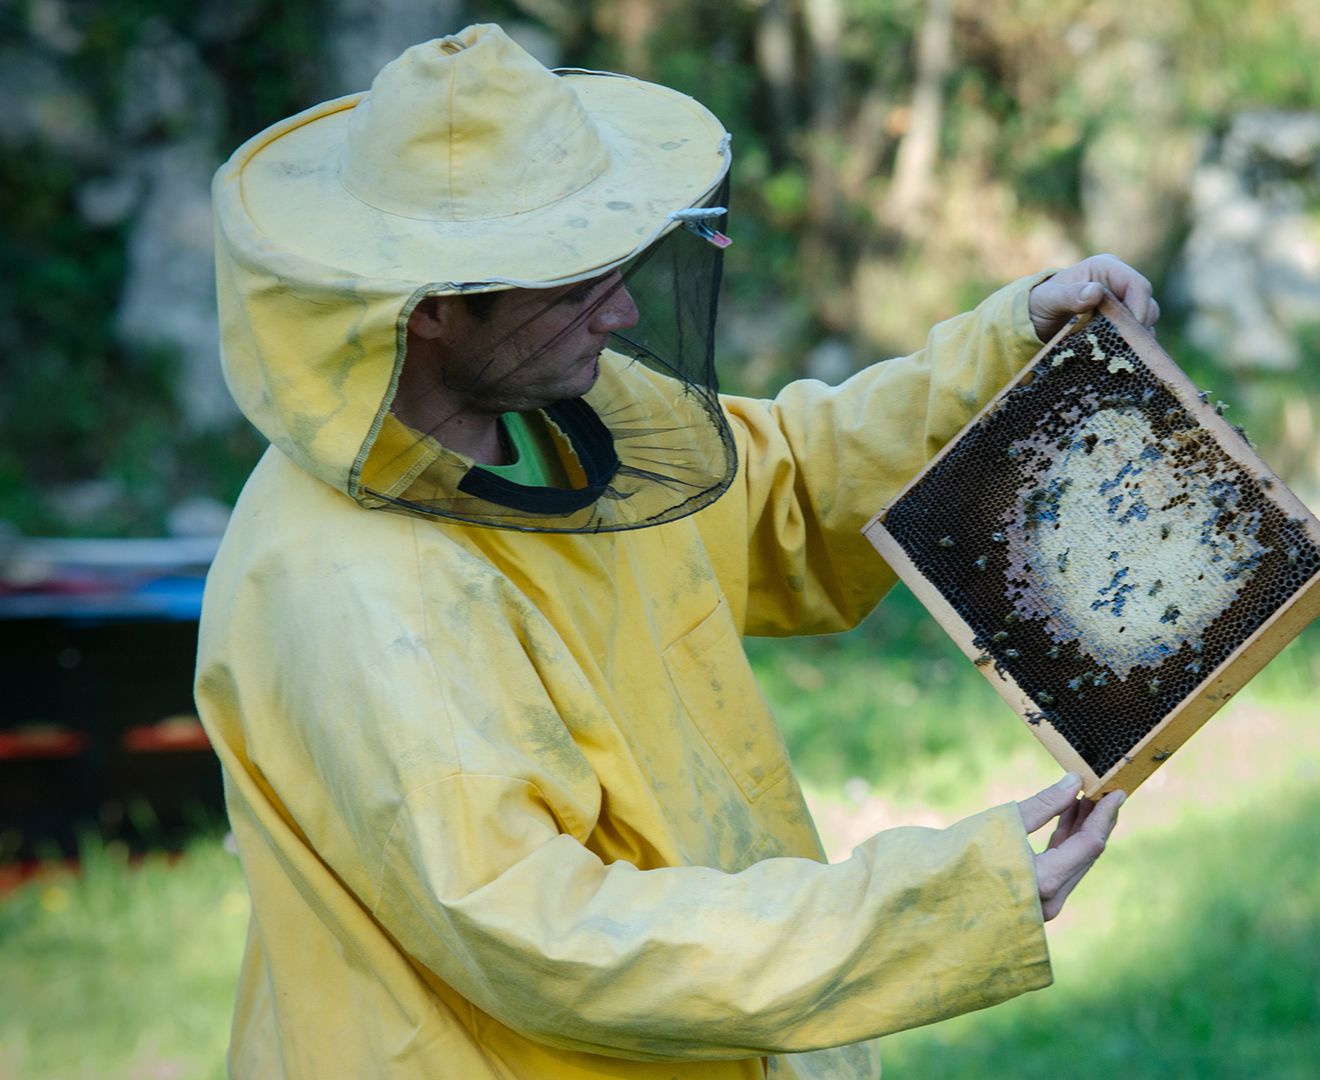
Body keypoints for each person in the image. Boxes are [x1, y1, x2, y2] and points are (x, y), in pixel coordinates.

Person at [195, 23, 1158, 1079]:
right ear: (428, 310)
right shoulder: (351, 592)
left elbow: (786, 484)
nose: (624, 312)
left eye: (618, 269)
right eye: (574, 289)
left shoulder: (569, 404)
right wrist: (929, 909)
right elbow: (543, 938)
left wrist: (1008, 345)